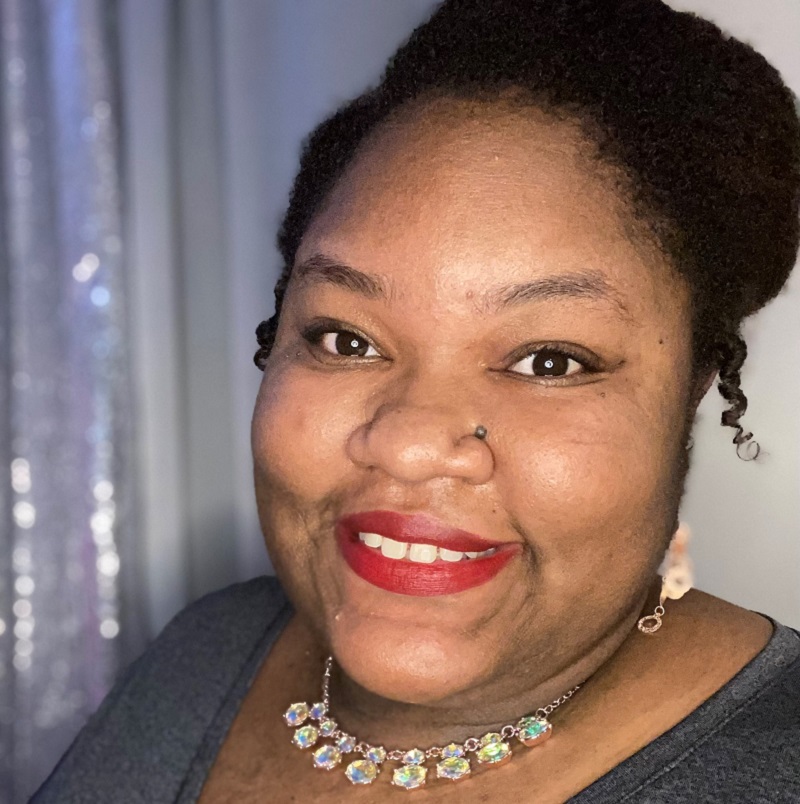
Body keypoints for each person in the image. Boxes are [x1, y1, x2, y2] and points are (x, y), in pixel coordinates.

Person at [32, 0, 800, 801]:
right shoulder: (204, 651)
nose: (407, 443)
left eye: (548, 361)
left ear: (693, 385)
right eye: (345, 339)